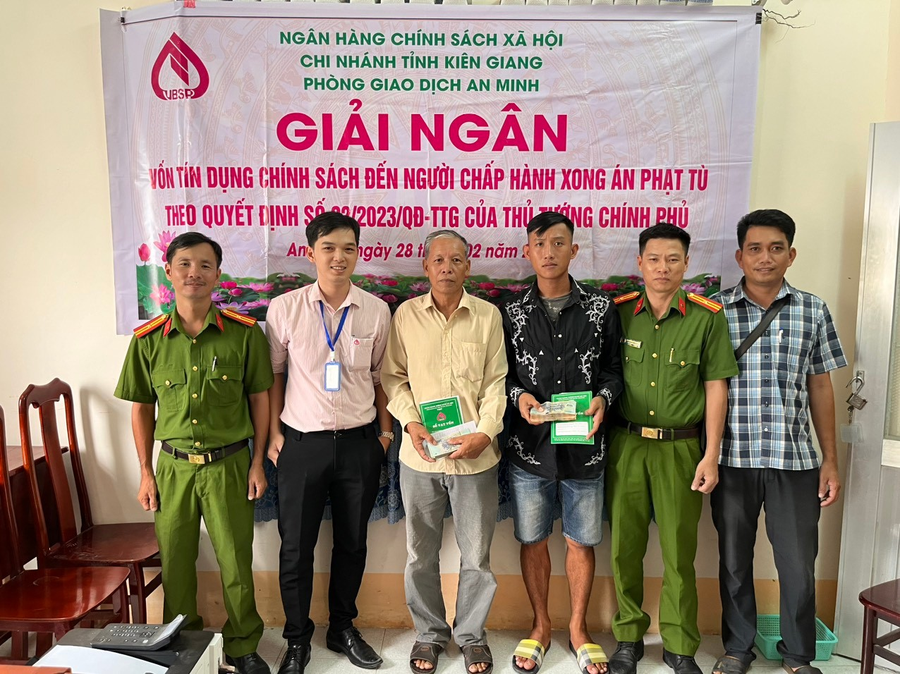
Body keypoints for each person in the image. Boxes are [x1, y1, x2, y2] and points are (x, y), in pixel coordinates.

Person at [114, 232, 273, 674]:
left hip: (230, 465)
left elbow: (260, 399)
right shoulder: (148, 339)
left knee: (236, 561)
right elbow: (141, 409)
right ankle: (184, 644)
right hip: (173, 468)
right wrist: (146, 472)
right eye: (184, 264)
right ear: (168, 271)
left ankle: (243, 645)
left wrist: (257, 462)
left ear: (218, 274)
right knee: (176, 562)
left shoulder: (244, 334)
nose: (194, 273)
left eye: (205, 265)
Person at [709, 209, 846, 674]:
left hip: (795, 459)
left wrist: (830, 460)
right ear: (739, 257)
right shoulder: (714, 311)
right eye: (754, 249)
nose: (764, 258)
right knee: (733, 561)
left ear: (791, 254)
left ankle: (798, 655)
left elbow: (821, 386)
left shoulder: (813, 310)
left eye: (775, 248)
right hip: (732, 458)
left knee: (798, 563)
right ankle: (737, 649)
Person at [607, 223, 739, 674]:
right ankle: (628, 638)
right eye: (654, 259)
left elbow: (716, 387)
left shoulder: (707, 316)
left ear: (686, 263)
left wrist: (711, 454)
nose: (662, 267)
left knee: (680, 553)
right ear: (640, 263)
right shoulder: (620, 313)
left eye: (672, 259)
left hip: (682, 449)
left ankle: (680, 645)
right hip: (626, 445)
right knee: (624, 548)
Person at [265, 212, 393, 674]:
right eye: (329, 248)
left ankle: (342, 628)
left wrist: (384, 434)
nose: (339, 257)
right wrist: (275, 433)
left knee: (353, 543)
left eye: (348, 249)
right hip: (301, 444)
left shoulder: (376, 310)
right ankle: (297, 639)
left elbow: (381, 378)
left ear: (358, 253)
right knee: (295, 548)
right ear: (311, 253)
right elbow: (274, 374)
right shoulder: (285, 308)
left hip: (359, 443)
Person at [501, 212, 623, 674]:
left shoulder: (600, 308)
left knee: (581, 541)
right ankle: (540, 625)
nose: (548, 252)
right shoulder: (510, 311)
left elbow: (614, 369)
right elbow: (500, 374)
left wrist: (603, 399)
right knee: (532, 540)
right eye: (540, 244)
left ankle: (578, 629)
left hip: (584, 448)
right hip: (530, 448)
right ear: (527, 252)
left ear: (574, 249)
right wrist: (519, 396)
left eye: (558, 243)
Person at [381, 230, 508, 674]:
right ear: (426, 266)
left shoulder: (488, 316)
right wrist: (411, 423)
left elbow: (496, 383)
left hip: (476, 458)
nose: (447, 268)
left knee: (477, 557)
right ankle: (430, 634)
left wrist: (486, 433)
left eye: (456, 260)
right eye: (439, 260)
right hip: (420, 457)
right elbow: (393, 377)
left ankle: (472, 636)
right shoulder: (406, 316)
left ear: (468, 266)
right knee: (420, 554)